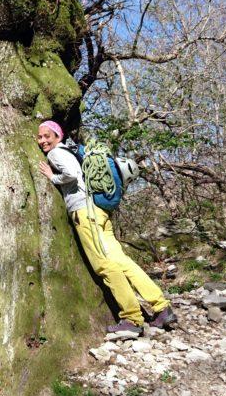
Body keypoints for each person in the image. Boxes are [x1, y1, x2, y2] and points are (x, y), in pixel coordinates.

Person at [37, 120, 177, 339]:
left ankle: (131, 319)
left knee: (104, 265)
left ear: (58, 136)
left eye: (47, 136)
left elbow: (72, 174)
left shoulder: (57, 153)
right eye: (40, 137)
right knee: (122, 261)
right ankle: (161, 307)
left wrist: (52, 177)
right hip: (99, 212)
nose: (43, 140)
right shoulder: (71, 151)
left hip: (86, 212)